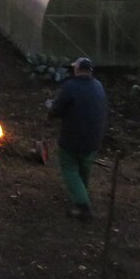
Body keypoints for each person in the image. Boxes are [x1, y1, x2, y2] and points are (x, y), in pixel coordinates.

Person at [46, 57, 108, 221]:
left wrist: (50, 112)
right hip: (94, 139)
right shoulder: (98, 86)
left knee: (69, 169)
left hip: (72, 140)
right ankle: (82, 195)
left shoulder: (70, 87)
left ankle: (83, 207)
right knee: (84, 167)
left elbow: (56, 110)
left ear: (78, 70)